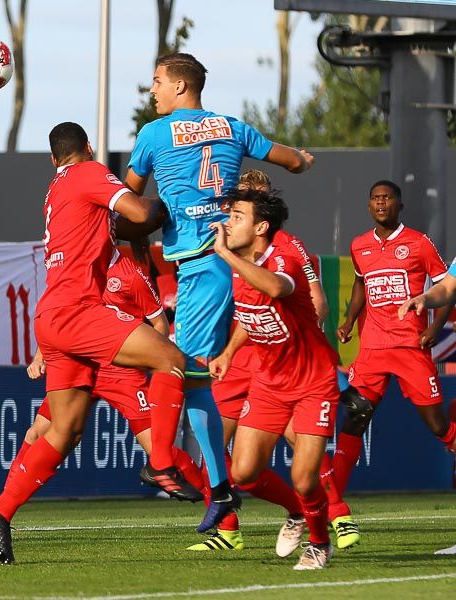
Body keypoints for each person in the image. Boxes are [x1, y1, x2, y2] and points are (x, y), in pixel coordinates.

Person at [0, 122, 187, 565]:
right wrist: (170, 208)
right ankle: (160, 461)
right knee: (171, 360)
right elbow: (140, 215)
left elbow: (117, 226)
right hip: (80, 311)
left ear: (52, 158)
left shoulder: (55, 188)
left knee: (65, 429)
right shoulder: (89, 172)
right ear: (86, 148)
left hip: (51, 318)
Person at [123, 53, 314, 522]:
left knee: (174, 367)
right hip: (236, 261)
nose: (153, 91)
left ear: (181, 87)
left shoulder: (154, 134)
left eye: (157, 82)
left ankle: (164, 461)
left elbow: (129, 202)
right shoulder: (233, 126)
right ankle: (223, 494)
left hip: (205, 265)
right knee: (197, 380)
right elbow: (291, 161)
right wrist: (304, 159)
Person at [204, 169, 353, 555]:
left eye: (237, 216)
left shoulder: (282, 256)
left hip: (313, 381)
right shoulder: (241, 263)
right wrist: (229, 352)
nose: (227, 223)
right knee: (243, 472)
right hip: (270, 381)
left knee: (304, 479)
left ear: (261, 227)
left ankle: (320, 543)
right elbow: (252, 317)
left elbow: (274, 287)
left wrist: (221, 253)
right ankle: (297, 513)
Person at [14, 241, 205, 502]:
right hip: (81, 365)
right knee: (36, 432)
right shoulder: (75, 268)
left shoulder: (131, 275)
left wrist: (146, 360)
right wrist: (40, 356)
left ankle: (215, 505)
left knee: (160, 450)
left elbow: (159, 324)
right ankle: (2, 509)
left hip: (122, 372)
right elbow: (56, 315)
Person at [333, 181, 456, 542]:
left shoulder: (419, 243)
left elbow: (447, 284)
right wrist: (349, 320)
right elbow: (360, 285)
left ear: (400, 205)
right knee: (354, 417)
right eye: (375, 198)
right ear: (369, 206)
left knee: (436, 423)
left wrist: (434, 326)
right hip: (372, 348)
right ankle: (333, 504)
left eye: (388, 198)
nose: (381, 203)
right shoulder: (359, 245)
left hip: (410, 346)